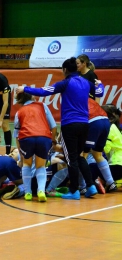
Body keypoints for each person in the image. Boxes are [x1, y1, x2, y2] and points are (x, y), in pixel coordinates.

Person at [16, 57, 104, 200]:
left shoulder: (65, 83)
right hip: (84, 124)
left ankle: (74, 191)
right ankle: (90, 186)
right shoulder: (86, 82)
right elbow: (99, 92)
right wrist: (101, 84)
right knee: (79, 156)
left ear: (64, 70)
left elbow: (44, 91)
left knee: (71, 159)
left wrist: (24, 88)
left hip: (70, 125)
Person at [14, 91, 57, 202]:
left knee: (27, 164)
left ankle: (28, 193)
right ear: (32, 96)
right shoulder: (42, 106)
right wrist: (52, 141)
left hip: (26, 138)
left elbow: (16, 135)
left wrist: (21, 154)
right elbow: (54, 126)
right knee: (40, 166)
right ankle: (41, 191)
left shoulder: (19, 112)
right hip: (44, 137)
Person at [101, 104, 122, 184]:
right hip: (118, 163)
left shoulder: (109, 128)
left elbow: (106, 149)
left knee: (94, 169)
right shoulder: (115, 127)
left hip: (117, 164)